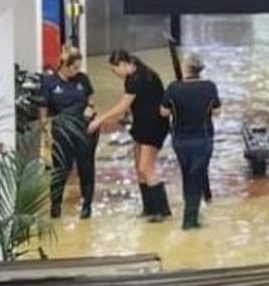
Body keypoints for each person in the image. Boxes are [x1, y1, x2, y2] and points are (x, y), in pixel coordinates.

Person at [89, 50, 172, 221]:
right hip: (141, 125)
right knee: (138, 169)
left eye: (114, 69)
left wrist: (100, 120)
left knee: (145, 168)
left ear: (123, 64)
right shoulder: (133, 72)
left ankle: (162, 210)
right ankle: (149, 208)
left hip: (154, 126)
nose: (115, 74)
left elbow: (122, 106)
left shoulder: (138, 78)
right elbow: (129, 107)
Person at [161, 52, 221, 230]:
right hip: (203, 139)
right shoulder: (209, 87)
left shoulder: (174, 88)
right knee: (197, 175)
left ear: (185, 67)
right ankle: (190, 219)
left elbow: (164, 112)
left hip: (180, 140)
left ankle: (194, 212)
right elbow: (217, 111)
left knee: (188, 175)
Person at [39, 46, 98, 219]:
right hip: (62, 132)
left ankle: (87, 206)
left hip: (84, 130)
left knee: (86, 167)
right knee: (60, 169)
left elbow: (91, 97)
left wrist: (90, 107)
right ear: (64, 65)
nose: (77, 71)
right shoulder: (49, 82)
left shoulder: (82, 79)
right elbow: (43, 108)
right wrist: (45, 132)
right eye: (74, 67)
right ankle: (55, 205)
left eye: (79, 67)